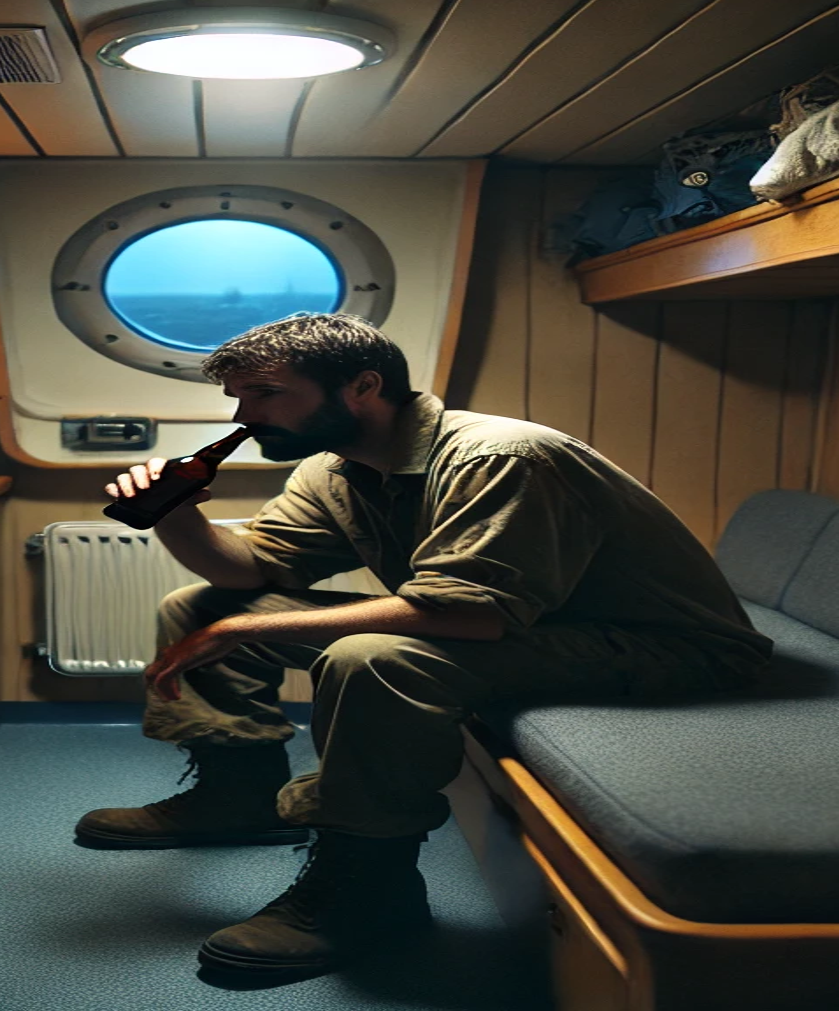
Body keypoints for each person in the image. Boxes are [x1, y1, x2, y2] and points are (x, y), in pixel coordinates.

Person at [74, 312, 771, 982]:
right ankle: (235, 796)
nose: (243, 417)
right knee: (199, 605)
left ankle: (372, 888)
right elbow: (249, 571)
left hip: (669, 650)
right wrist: (176, 514)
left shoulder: (499, 455)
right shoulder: (335, 469)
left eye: (265, 395)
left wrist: (240, 629)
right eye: (238, 397)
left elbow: (471, 616)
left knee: (370, 657)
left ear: (364, 387)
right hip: (533, 629)